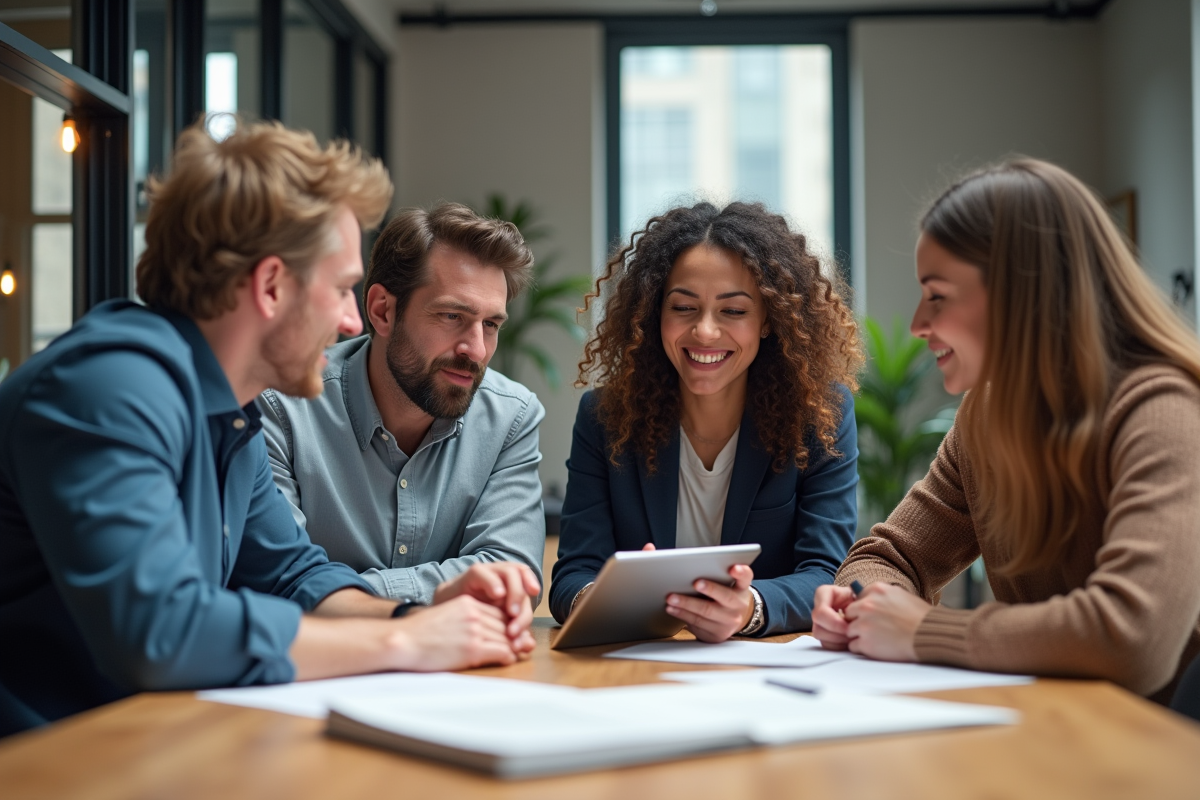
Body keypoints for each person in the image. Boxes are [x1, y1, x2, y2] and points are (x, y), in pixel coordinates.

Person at [0, 120, 537, 738]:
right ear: (271, 286)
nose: (346, 321)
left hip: (136, 742)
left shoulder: (231, 411)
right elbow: (160, 630)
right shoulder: (106, 389)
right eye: (340, 289)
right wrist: (406, 642)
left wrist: (416, 613)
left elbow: (294, 575)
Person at [812, 159, 1200, 704]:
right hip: (1056, 728)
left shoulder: (1163, 410)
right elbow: (889, 558)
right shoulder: (986, 418)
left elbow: (1131, 637)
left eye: (938, 295)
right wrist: (865, 605)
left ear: (1024, 294)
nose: (919, 323)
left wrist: (924, 631)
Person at [550, 201, 863, 640]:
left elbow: (827, 572)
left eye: (733, 311)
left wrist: (748, 609)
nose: (706, 332)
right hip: (640, 669)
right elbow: (573, 575)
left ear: (768, 320)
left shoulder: (818, 417)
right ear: (654, 313)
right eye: (683, 307)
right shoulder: (605, 419)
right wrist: (602, 599)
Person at [258, 203, 546, 605]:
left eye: (491, 325)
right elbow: (273, 581)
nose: (476, 349)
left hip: (459, 666)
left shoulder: (510, 418)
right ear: (383, 311)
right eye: (451, 316)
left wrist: (337, 595)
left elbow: (514, 579)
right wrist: (447, 590)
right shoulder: (284, 409)